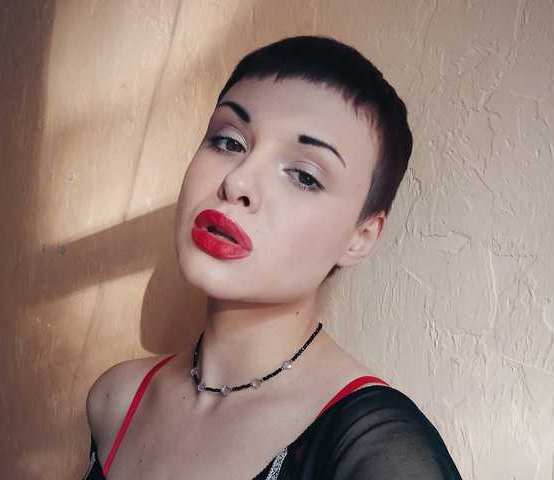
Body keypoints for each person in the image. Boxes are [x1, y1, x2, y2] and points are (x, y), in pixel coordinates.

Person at [82, 35, 462, 479]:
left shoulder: (376, 451)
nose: (237, 182)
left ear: (360, 237)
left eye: (303, 175)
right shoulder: (116, 399)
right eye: (228, 142)